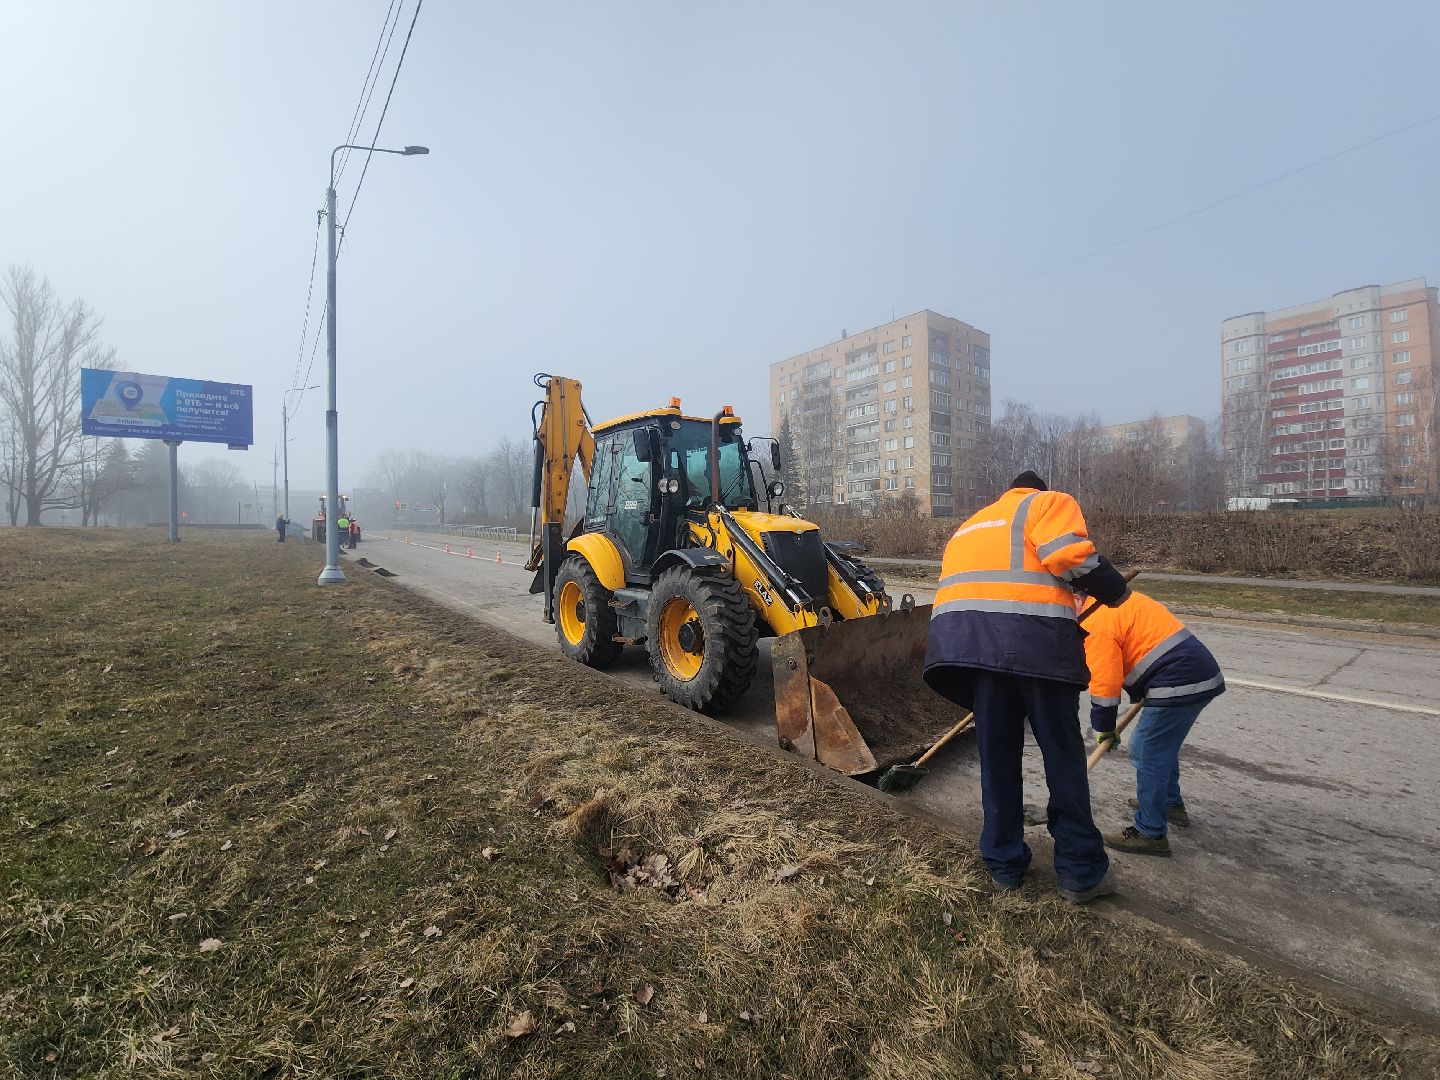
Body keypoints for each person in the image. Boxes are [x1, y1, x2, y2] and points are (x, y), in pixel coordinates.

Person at [924, 471, 1129, 903]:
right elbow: (1068, 555)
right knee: (1063, 758)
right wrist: (1112, 587)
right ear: (1038, 488)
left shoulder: (974, 522)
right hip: (1035, 648)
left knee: (997, 759)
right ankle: (1080, 872)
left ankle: (1003, 864)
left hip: (971, 652)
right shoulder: (1046, 503)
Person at [1079, 588, 1224, 857]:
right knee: (1160, 747)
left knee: (1145, 750)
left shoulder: (1096, 625)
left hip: (1180, 680)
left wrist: (1104, 728)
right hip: (1195, 672)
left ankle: (1150, 832)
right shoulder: (1114, 599)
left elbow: (1105, 686)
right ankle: (1169, 805)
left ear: (1076, 600)